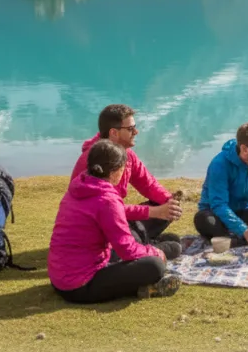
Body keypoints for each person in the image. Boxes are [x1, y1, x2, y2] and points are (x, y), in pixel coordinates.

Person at [49, 140, 181, 303]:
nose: (125, 171)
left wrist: (152, 212)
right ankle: (147, 282)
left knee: (154, 249)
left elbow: (116, 211)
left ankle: (153, 247)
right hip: (80, 286)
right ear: (113, 173)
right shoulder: (107, 199)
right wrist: (156, 253)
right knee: (154, 266)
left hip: (59, 279)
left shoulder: (81, 186)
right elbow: (127, 250)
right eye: (123, 168)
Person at [70, 104, 183, 246]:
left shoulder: (127, 154)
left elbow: (148, 184)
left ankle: (142, 240)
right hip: (96, 227)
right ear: (114, 133)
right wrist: (154, 212)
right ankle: (142, 243)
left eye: (135, 127)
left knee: (165, 206)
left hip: (115, 215)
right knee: (135, 236)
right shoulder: (93, 161)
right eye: (130, 129)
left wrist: (169, 202)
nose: (136, 131)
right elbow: (106, 208)